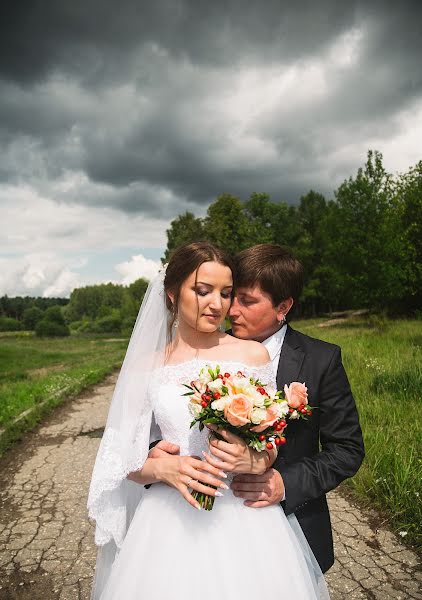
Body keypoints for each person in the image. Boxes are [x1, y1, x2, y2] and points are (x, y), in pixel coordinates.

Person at [88, 241, 330, 599]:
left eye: (226, 293)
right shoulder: (146, 367)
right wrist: (160, 470)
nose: (217, 304)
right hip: (170, 518)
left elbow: (270, 443)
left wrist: (258, 458)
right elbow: (119, 459)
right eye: (203, 291)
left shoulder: (252, 354)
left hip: (247, 514)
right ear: (172, 294)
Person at [152, 243, 365, 574]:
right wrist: (159, 458)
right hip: (197, 523)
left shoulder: (322, 360)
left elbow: (348, 450)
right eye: (230, 296)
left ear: (283, 306)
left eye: (246, 301)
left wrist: (284, 482)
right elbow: (163, 423)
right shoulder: (203, 349)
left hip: (291, 523)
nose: (230, 309)